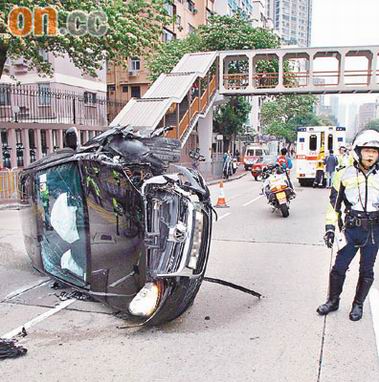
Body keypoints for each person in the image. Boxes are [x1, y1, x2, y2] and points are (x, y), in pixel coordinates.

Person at [317, 129, 379, 321]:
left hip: (373, 231)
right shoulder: (343, 174)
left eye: (375, 151)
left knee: (366, 270)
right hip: (351, 229)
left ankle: (357, 305)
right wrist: (329, 227)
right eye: (367, 150)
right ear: (358, 151)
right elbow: (334, 204)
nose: (371, 154)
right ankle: (333, 301)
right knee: (339, 268)